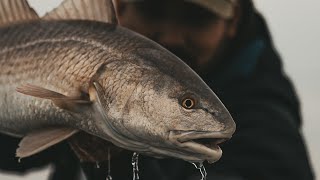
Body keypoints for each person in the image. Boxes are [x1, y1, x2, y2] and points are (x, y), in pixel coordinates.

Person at [0, 0, 314, 180]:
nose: (172, 37)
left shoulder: (267, 119)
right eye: (154, 9)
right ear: (120, 5)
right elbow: (17, 155)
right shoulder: (87, 60)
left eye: (196, 18)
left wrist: (121, 168)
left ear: (232, 21)